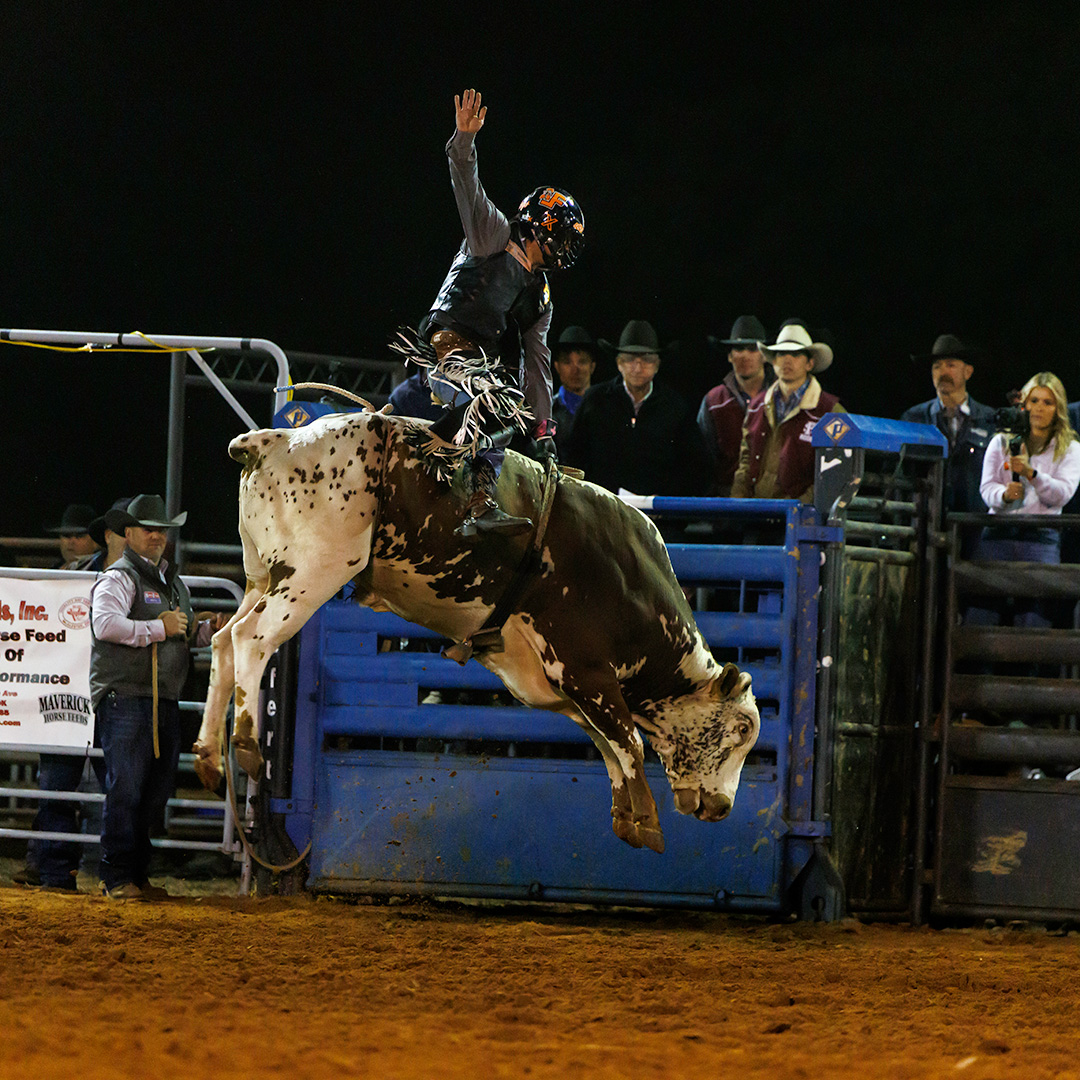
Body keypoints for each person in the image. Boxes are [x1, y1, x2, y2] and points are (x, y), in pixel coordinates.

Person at [403, 88, 585, 536]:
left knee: (506, 403)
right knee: (493, 399)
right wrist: (464, 142)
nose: (565, 248)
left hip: (479, 362)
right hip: (445, 343)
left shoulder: (539, 296)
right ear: (540, 227)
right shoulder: (493, 235)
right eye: (561, 236)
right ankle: (434, 453)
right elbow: (468, 186)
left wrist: (543, 428)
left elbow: (537, 363)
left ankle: (479, 500)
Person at [90, 494, 225, 900]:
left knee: (153, 792)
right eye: (149, 529)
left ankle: (135, 874)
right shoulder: (118, 577)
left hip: (160, 698)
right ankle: (117, 876)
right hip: (128, 696)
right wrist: (158, 629)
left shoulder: (171, 583)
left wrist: (210, 630)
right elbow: (104, 625)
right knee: (128, 789)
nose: (157, 536)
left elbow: (181, 632)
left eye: (161, 530)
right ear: (128, 534)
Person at [969, 373, 1080, 630]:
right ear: (1024, 404)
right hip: (997, 535)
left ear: (1058, 408)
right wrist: (1004, 495)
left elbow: (1062, 494)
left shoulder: (1071, 449)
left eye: (1048, 402)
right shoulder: (1001, 441)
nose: (1039, 408)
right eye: (1034, 400)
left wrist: (1033, 474)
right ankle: (977, 669)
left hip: (1040, 539)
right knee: (981, 617)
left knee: (1034, 621)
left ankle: (1029, 671)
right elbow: (986, 488)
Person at [562, 319, 709, 496]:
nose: (638, 367)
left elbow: (695, 465)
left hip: (659, 515)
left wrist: (665, 502)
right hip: (603, 511)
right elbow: (575, 456)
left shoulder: (675, 406)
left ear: (657, 365)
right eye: (630, 359)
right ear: (619, 363)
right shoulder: (595, 400)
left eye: (646, 359)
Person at [900, 334, 996, 550]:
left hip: (974, 531)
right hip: (924, 529)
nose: (943, 372)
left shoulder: (988, 419)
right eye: (937, 367)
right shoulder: (914, 419)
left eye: (951, 365)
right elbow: (899, 474)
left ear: (968, 372)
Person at [732, 321, 844, 501]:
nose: (787, 359)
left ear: (810, 363)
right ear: (774, 361)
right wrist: (737, 501)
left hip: (800, 521)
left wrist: (801, 507)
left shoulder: (831, 412)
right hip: (755, 516)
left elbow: (836, 471)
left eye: (796, 353)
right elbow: (745, 462)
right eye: (782, 353)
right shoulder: (756, 406)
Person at [697, 316, 776, 495]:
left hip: (776, 500)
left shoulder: (783, 397)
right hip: (727, 504)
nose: (745, 355)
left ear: (764, 355)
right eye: (739, 348)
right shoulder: (714, 402)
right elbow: (703, 459)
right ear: (730, 356)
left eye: (753, 348)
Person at [551, 326, 597, 456]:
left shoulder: (606, 409)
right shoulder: (547, 412)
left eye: (582, 362)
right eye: (567, 362)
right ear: (557, 366)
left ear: (592, 366)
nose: (575, 369)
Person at [45, 503, 100, 568]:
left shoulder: (101, 572)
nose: (71, 541)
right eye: (66, 535)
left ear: (95, 542)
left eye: (79, 536)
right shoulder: (54, 569)